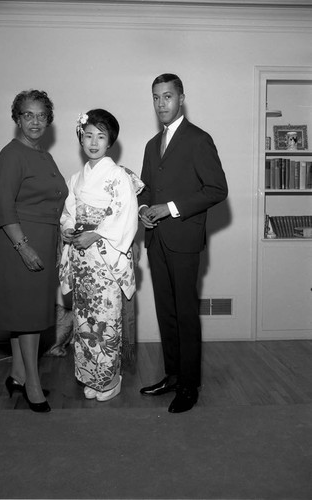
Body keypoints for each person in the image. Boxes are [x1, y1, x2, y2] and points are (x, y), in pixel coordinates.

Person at [138, 73, 228, 413]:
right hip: (156, 240)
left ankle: (190, 386)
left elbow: (217, 189)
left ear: (181, 98)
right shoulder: (151, 145)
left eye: (168, 97)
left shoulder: (198, 139)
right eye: (157, 97)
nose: (161, 103)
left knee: (186, 314)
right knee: (166, 312)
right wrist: (146, 208)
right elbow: (146, 188)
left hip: (184, 239)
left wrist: (171, 209)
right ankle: (173, 376)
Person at [0, 89, 68, 412]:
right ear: (17, 118)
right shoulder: (11, 155)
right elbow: (5, 208)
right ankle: (33, 387)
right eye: (27, 115)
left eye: (41, 116)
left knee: (25, 313)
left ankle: (18, 375)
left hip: (43, 239)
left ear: (48, 120)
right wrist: (23, 247)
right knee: (29, 317)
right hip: (18, 241)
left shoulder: (43, 155)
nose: (35, 122)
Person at [59, 109, 143, 402]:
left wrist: (96, 233)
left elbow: (125, 216)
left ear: (110, 142)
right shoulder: (76, 179)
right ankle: (89, 378)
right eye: (88, 135)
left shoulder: (118, 176)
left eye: (101, 136)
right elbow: (68, 214)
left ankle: (110, 381)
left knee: (105, 322)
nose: (93, 142)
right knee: (84, 323)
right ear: (81, 138)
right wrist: (68, 230)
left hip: (105, 260)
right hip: (83, 262)